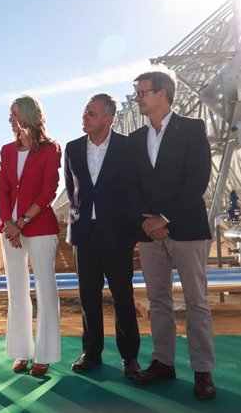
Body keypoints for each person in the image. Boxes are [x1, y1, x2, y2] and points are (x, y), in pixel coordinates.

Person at [127, 71, 216, 399]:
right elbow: (132, 184)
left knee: (196, 300)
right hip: (150, 233)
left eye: (142, 92)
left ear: (162, 94)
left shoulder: (192, 128)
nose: (138, 98)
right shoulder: (136, 139)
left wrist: (165, 217)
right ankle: (163, 361)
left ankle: (203, 370)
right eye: (136, 93)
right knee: (158, 299)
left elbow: (198, 178)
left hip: (188, 229)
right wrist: (150, 222)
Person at [64, 93, 140, 378]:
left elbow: (134, 188)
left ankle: (129, 357)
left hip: (118, 234)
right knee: (88, 297)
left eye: (92, 113)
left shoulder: (127, 146)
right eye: (85, 111)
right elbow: (72, 190)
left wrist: (129, 229)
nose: (85, 116)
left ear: (108, 119)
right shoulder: (72, 148)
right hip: (84, 234)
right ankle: (91, 352)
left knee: (123, 296)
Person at [0, 95, 61, 377]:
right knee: (17, 293)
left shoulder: (51, 150)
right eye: (10, 115)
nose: (10, 119)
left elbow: (48, 191)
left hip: (39, 227)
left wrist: (22, 222)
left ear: (27, 115)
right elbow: (3, 190)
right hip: (10, 229)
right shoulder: (6, 151)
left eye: (14, 114)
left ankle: (45, 355)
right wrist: (8, 224)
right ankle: (22, 351)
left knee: (46, 291)